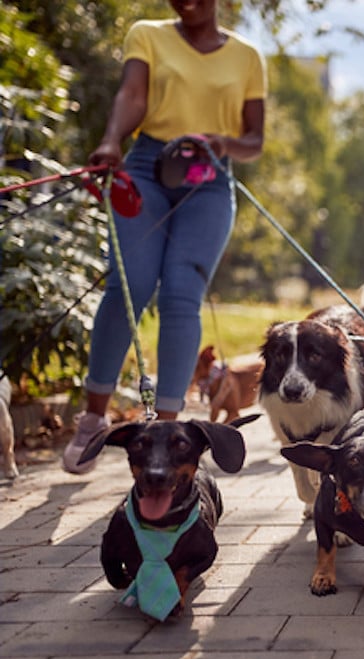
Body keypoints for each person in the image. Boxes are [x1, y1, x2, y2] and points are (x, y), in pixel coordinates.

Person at [62, 0, 266, 474]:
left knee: (180, 294)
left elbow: (254, 139)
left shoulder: (247, 57)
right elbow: (133, 96)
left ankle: (168, 436)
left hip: (208, 175)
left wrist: (223, 143)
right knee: (129, 284)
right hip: (147, 167)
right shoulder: (147, 34)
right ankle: (93, 417)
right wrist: (113, 139)